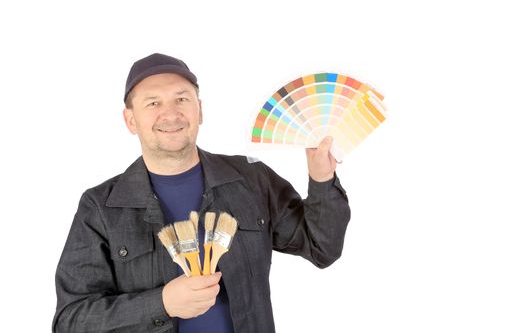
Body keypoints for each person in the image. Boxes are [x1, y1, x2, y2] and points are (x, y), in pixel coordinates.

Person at [52, 53, 351, 333]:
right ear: (131, 120)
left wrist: (321, 176)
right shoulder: (100, 207)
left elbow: (321, 247)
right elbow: (71, 320)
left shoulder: (252, 180)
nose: (170, 114)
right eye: (153, 103)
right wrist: (163, 302)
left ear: (200, 110)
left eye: (182, 99)